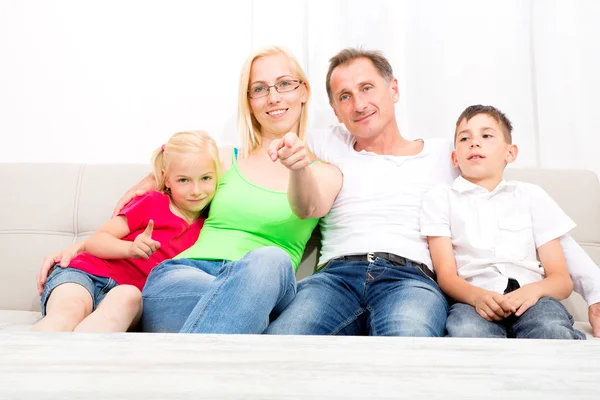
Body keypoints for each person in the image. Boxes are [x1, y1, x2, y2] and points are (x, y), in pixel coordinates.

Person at [265, 47, 600, 338]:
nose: (359, 104)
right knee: (282, 340)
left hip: (410, 279)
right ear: (335, 110)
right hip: (337, 277)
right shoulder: (323, 144)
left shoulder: (450, 154)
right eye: (345, 96)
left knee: (410, 343)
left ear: (393, 89)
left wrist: (595, 291)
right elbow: (273, 119)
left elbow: (523, 217)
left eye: (367, 88)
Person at [114, 46, 341, 334]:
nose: (273, 97)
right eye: (259, 89)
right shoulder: (223, 158)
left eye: (284, 84)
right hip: (185, 278)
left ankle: (189, 364)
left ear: (304, 91)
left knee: (270, 259)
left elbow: (308, 208)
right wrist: (147, 182)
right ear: (249, 101)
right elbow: (169, 171)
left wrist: (298, 167)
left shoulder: (325, 173)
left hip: (266, 286)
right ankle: (246, 332)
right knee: (249, 307)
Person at [421, 105, 585, 339]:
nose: (474, 143)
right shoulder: (440, 198)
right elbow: (446, 276)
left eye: (486, 135)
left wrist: (533, 292)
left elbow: (561, 280)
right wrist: (477, 297)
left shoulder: (531, 195)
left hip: (533, 298)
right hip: (473, 300)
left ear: (510, 153)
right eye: (464, 138)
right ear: (455, 157)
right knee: (467, 332)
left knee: (550, 330)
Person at [34, 130, 219, 332]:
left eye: (206, 178)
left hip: (129, 292)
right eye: (183, 180)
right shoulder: (152, 202)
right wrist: (130, 248)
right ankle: (26, 358)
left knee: (126, 298)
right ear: (166, 179)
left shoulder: (212, 224)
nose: (196, 190)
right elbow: (96, 241)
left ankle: (76, 358)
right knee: (70, 310)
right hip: (84, 273)